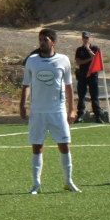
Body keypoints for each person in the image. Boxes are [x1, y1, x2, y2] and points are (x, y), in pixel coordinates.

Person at [19, 29, 81, 194]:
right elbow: (26, 85)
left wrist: (71, 110)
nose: (42, 43)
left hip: (57, 111)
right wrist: (22, 105)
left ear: (53, 42)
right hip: (37, 111)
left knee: (64, 145)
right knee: (37, 146)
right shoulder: (32, 60)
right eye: (40, 40)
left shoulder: (63, 60)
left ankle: (68, 181)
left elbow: (68, 86)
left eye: (45, 40)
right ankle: (36, 184)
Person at [74, 31, 105, 123]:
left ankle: (98, 116)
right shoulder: (79, 50)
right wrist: (89, 59)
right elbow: (78, 62)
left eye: (87, 38)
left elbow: (97, 59)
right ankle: (80, 115)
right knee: (81, 96)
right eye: (84, 38)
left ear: (89, 38)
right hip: (82, 74)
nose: (85, 39)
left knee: (94, 96)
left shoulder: (95, 48)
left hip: (93, 75)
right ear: (82, 38)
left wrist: (88, 49)